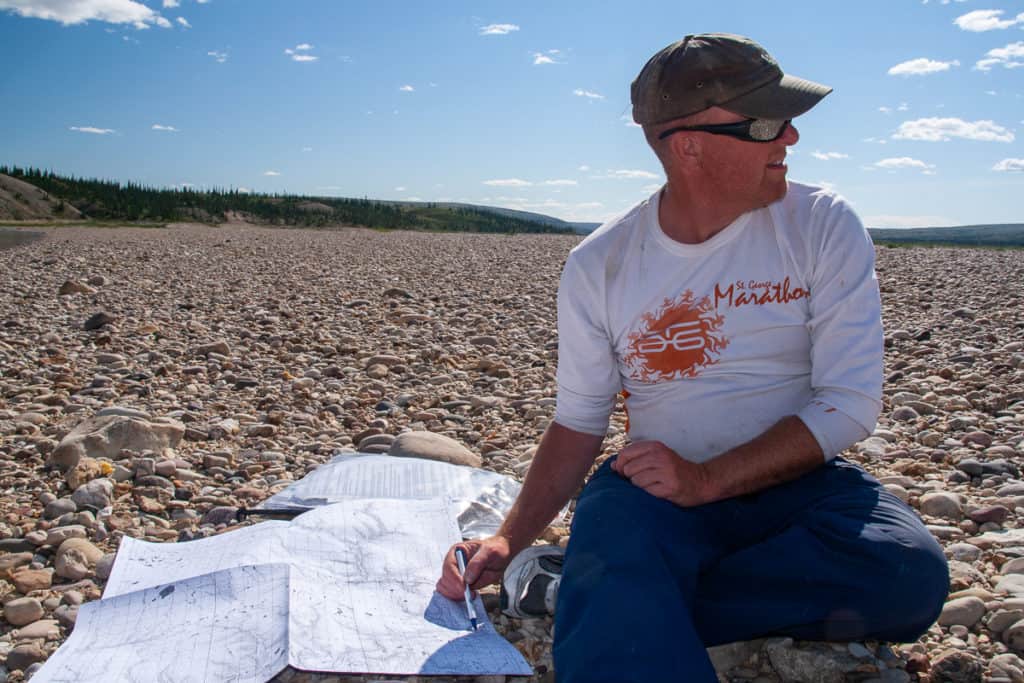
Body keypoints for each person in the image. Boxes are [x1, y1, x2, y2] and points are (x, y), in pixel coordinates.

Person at [437, 33, 949, 682]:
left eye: (789, 121)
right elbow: (579, 420)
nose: (790, 138)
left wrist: (709, 480)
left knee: (908, 570)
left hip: (800, 481)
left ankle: (592, 597)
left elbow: (849, 401)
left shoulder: (823, 223)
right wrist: (511, 537)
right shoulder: (602, 265)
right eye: (767, 124)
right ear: (688, 146)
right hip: (655, 489)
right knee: (622, 548)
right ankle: (622, 595)